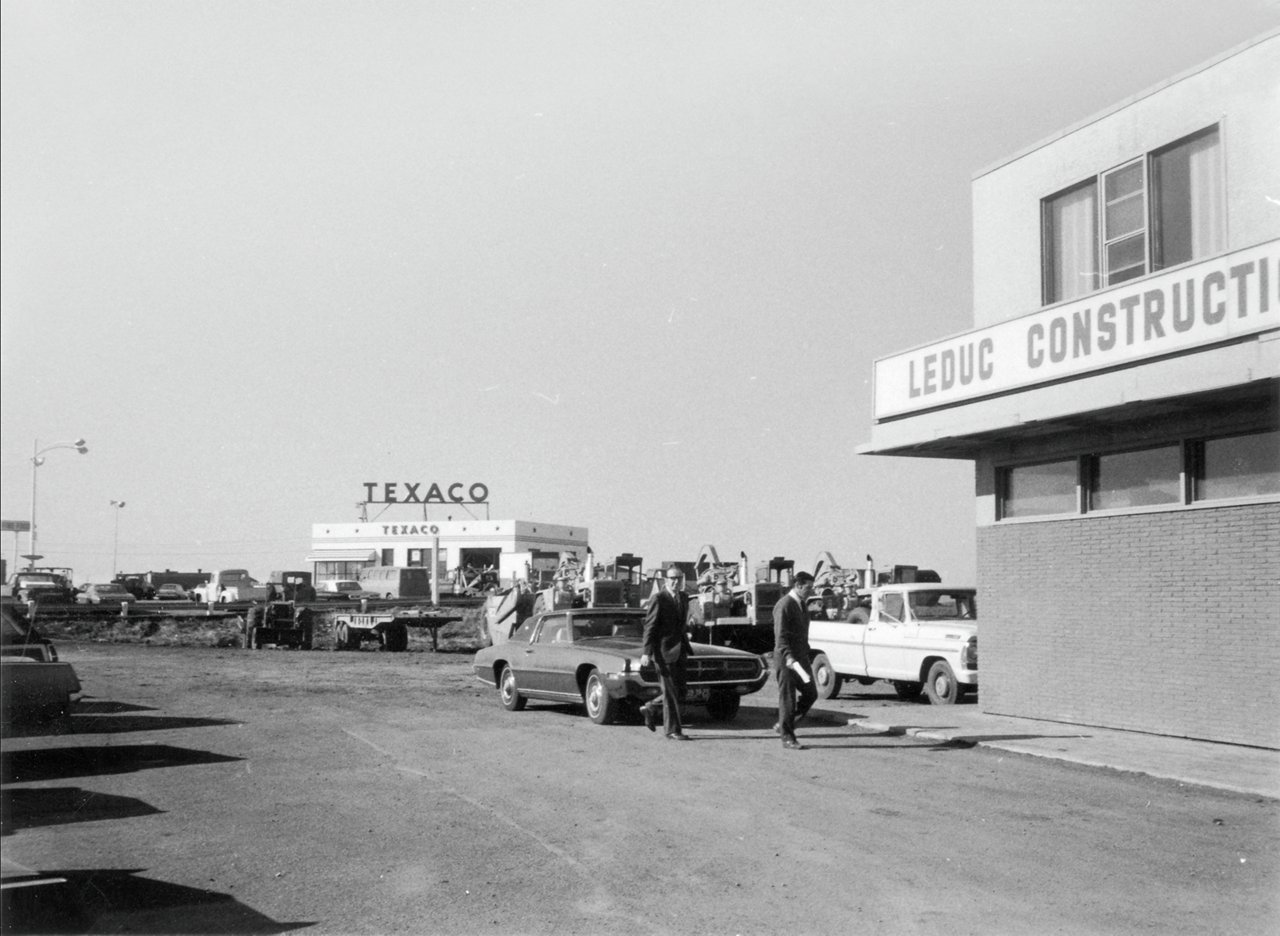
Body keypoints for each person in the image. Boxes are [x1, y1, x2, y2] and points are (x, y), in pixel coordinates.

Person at [639, 566, 692, 740]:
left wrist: (687, 633)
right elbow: (650, 626)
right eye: (672, 578)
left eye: (679, 578)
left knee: (681, 690)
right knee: (670, 692)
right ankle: (672, 730)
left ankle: (652, 707)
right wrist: (646, 652)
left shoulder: (684, 597)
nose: (676, 581)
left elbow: (680, 623)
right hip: (663, 652)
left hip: (680, 650)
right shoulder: (659, 598)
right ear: (666, 580)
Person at [774, 570, 818, 750]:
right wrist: (789, 657)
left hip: (800, 658)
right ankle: (788, 738)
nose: (811, 591)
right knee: (788, 698)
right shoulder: (784, 605)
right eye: (808, 588)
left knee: (811, 693)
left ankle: (785, 724)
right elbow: (780, 636)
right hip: (787, 659)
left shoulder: (801, 604)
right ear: (798, 586)